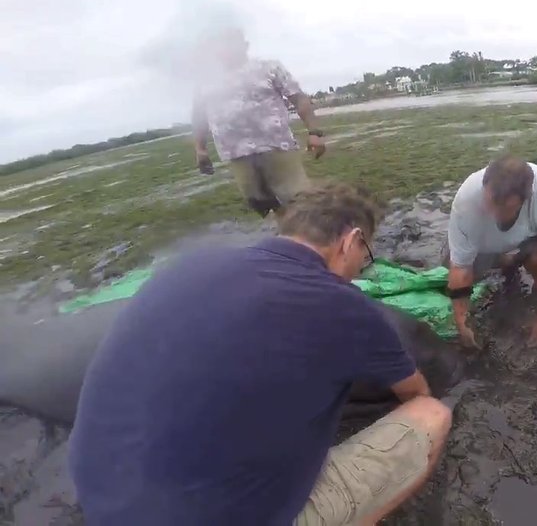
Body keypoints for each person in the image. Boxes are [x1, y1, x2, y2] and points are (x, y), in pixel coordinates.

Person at [69, 181, 452, 526]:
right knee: (431, 417)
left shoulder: (189, 264)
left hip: (103, 501)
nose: (359, 269)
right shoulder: (343, 304)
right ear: (350, 241)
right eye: (365, 255)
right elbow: (415, 393)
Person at [445, 156, 537, 347]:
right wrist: (462, 324)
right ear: (483, 187)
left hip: (527, 243)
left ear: (525, 199)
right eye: (490, 203)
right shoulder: (466, 201)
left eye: (505, 207)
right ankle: (505, 261)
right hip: (485, 249)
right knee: (449, 269)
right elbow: (460, 268)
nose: (495, 213)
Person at [191, 26, 326, 222]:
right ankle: (289, 232)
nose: (226, 48)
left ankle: (318, 236)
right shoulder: (205, 82)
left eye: (232, 42)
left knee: (301, 200)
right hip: (236, 154)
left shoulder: (269, 68)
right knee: (261, 202)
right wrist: (200, 149)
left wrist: (315, 133)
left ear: (244, 45)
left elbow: (299, 99)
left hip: (276, 147)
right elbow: (199, 117)